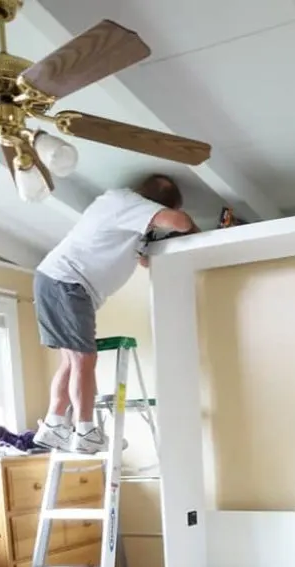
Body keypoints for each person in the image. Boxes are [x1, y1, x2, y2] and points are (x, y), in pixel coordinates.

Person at [33, 174, 199, 454]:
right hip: (69, 282)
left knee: (71, 360)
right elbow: (179, 222)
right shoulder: (124, 200)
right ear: (157, 203)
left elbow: (146, 261)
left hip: (59, 281)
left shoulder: (131, 224)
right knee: (84, 358)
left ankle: (53, 425)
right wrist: (194, 231)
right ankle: (85, 430)